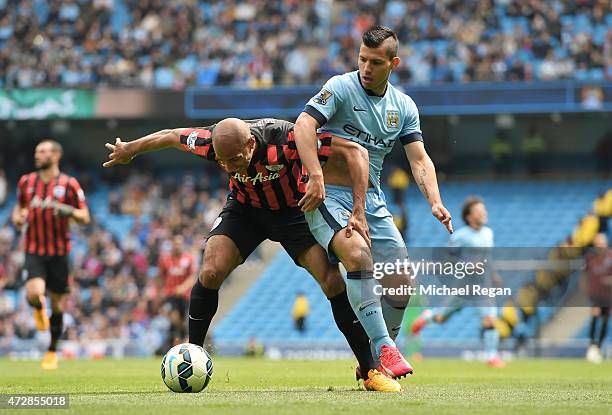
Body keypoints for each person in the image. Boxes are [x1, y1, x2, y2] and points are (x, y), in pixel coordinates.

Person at [104, 117, 400, 391]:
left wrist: (357, 205)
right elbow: (170, 136)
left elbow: (353, 151)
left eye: (235, 160)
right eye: (223, 163)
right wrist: (130, 149)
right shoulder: (210, 143)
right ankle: (193, 353)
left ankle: (371, 369)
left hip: (293, 212)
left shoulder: (288, 139)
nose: (231, 168)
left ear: (251, 145)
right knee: (210, 271)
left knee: (332, 281)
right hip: (245, 211)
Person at [294, 25, 453, 382]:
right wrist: (314, 176)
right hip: (327, 196)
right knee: (358, 255)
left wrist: (435, 201)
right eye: (362, 59)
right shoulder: (339, 87)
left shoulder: (404, 107)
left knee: (402, 283)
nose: (366, 67)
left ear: (393, 63)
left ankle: (382, 352)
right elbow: (303, 125)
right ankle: (383, 347)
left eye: (376, 62)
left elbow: (419, 159)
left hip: (371, 200)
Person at [11, 140, 91, 369]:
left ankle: (52, 350)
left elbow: (85, 217)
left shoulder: (69, 184)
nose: (38, 155)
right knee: (35, 293)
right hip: (34, 249)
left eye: (43, 152)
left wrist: (68, 211)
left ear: (56, 156)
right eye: (36, 152)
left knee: (57, 304)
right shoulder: (26, 182)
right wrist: (18, 218)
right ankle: (37, 307)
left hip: (59, 252)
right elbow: (19, 209)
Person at [412, 197, 506, 368]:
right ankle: (428, 316)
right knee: (442, 318)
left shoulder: (488, 233)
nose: (483, 213)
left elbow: (488, 258)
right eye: (479, 211)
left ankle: (491, 356)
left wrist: (494, 274)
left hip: (483, 285)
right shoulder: (461, 236)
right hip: (464, 285)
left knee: (489, 318)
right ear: (469, 216)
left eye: (484, 210)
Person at [585, 233, 611, 364]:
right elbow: (586, 275)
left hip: (608, 293)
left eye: (602, 242)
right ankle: (591, 345)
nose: (600, 244)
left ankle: (599, 347)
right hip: (597, 293)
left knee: (605, 318)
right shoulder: (591, 257)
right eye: (598, 242)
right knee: (595, 314)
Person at [158, 234, 196, 318]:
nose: (177, 246)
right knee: (173, 316)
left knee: (186, 317)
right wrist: (161, 290)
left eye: (180, 244)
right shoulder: (164, 259)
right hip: (170, 294)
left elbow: (192, 277)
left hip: (185, 295)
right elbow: (161, 277)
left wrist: (182, 287)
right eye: (175, 244)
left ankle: (184, 328)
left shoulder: (188, 258)